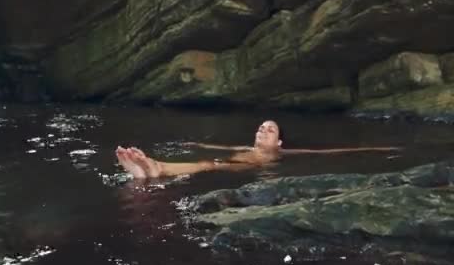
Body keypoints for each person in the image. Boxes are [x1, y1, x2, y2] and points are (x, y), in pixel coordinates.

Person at [115, 120, 400, 179]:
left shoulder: (279, 154)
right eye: (261, 128)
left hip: (250, 167)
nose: (262, 131)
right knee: (209, 158)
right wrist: (196, 144)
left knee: (209, 165)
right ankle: (148, 170)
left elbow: (323, 155)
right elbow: (221, 147)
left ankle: (158, 168)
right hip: (233, 159)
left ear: (278, 143)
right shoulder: (242, 146)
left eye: (270, 129)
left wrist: (375, 148)